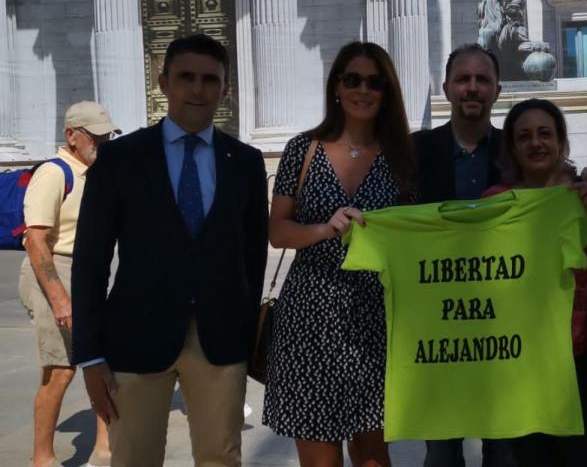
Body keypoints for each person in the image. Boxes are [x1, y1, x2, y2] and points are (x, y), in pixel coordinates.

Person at [412, 43, 587, 467]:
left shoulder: (520, 145)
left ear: (497, 89)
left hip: (510, 342)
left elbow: (562, 184)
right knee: (442, 453)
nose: (473, 88)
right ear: (447, 87)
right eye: (463, 79)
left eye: (482, 79)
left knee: (506, 452)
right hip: (442, 331)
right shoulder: (413, 151)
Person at [72, 34, 269, 467]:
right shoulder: (121, 159)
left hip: (219, 342)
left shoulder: (246, 163)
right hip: (134, 339)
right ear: (163, 83)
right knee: (134, 459)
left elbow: (252, 258)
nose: (197, 89)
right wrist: (90, 355)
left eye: (210, 79)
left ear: (225, 89)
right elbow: (90, 262)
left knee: (221, 458)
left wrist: (242, 324)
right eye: (186, 77)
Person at [263, 41, 416, 467]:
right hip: (310, 314)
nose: (363, 90)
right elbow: (277, 231)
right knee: (319, 457)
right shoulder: (303, 149)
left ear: (387, 92)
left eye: (374, 82)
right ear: (336, 87)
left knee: (373, 454)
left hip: (377, 317)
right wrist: (324, 229)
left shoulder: (402, 156)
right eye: (353, 80)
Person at [483, 98, 587, 467]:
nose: (535, 143)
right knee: (528, 459)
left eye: (544, 134)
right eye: (524, 136)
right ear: (513, 147)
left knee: (580, 459)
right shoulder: (495, 202)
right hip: (521, 361)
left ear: (561, 141)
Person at [19, 101, 119, 467]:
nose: (103, 142)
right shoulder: (54, 173)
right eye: (96, 136)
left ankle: (105, 449)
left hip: (89, 272)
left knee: (103, 359)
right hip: (54, 272)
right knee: (61, 369)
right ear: (72, 135)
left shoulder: (96, 172)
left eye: (108, 136)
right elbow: (35, 240)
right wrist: (60, 299)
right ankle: (42, 457)